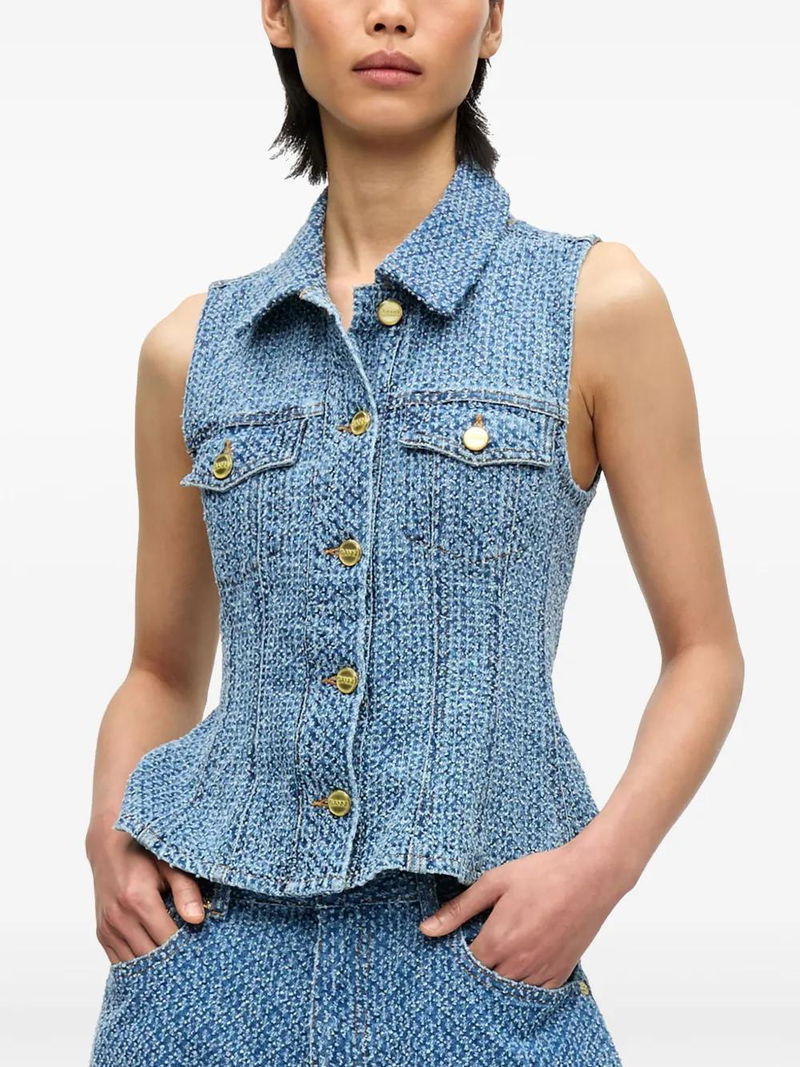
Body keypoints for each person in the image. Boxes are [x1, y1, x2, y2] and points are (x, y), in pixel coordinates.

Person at [85, 2, 744, 1064]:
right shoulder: (192, 348)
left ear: (492, 24)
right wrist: (110, 836)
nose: (390, 13)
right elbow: (160, 669)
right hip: (205, 972)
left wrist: (598, 868)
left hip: (485, 964)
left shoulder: (593, 303)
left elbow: (704, 650)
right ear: (277, 15)